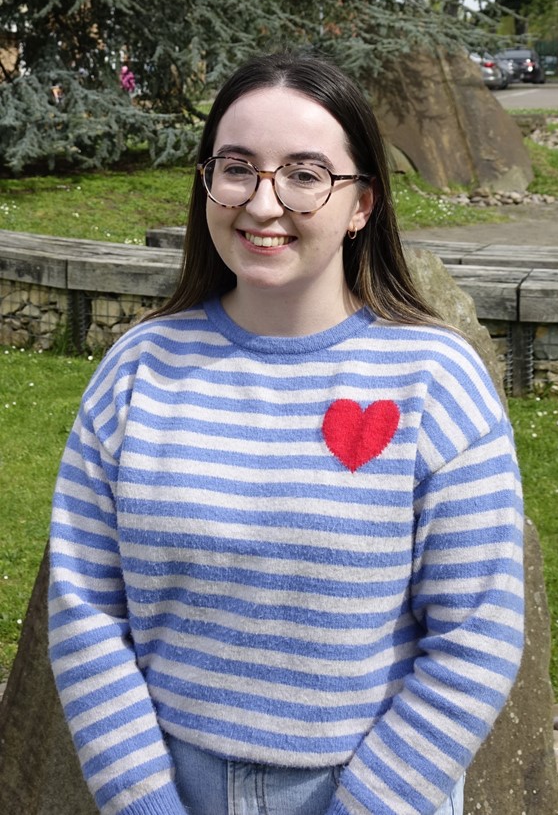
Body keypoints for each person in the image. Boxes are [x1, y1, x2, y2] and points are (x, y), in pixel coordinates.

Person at [48, 50, 524, 815]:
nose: (263, 203)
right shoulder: (138, 371)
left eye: (305, 174)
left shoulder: (436, 383)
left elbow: (476, 637)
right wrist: (144, 801)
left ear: (361, 202)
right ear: (207, 180)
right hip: (170, 784)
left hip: (370, 790)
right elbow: (88, 609)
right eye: (237, 167)